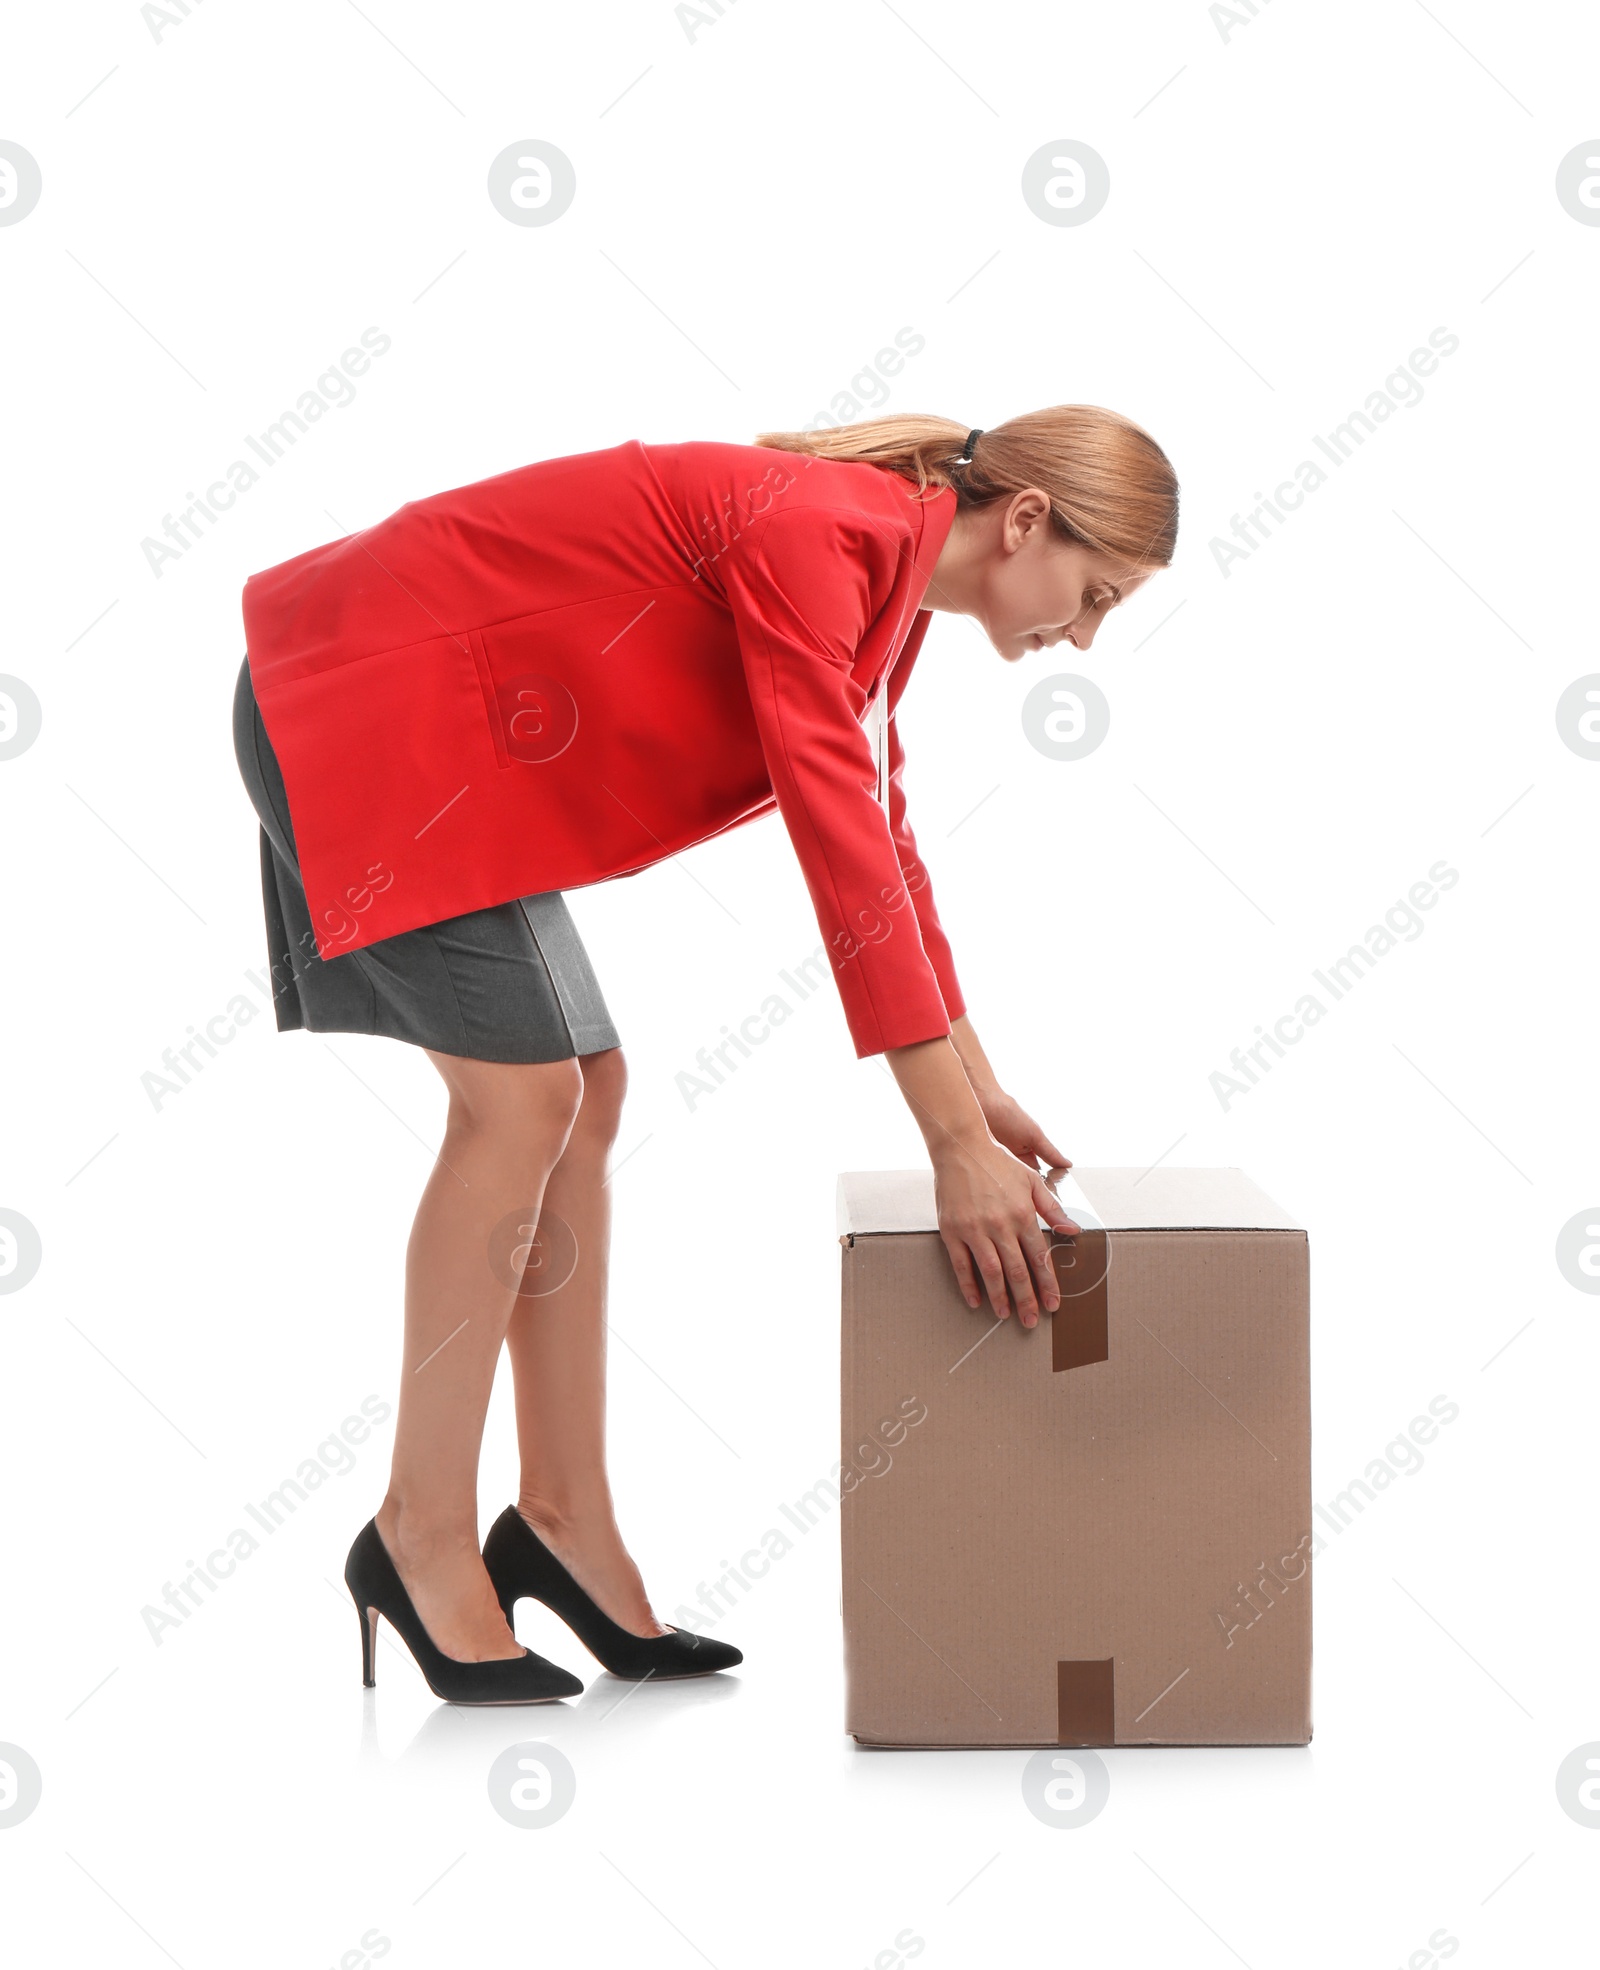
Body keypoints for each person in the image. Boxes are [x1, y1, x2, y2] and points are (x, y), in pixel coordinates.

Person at [231, 409, 1179, 1703]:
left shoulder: (875, 586)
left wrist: (980, 1088)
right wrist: (947, 1139)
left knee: (582, 1095)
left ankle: (561, 1521)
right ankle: (418, 1536)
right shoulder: (816, 537)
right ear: (1025, 522)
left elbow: (883, 839)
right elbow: (835, 836)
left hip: (422, 729)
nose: (1082, 635)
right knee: (521, 1104)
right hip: (366, 711)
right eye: (1097, 595)